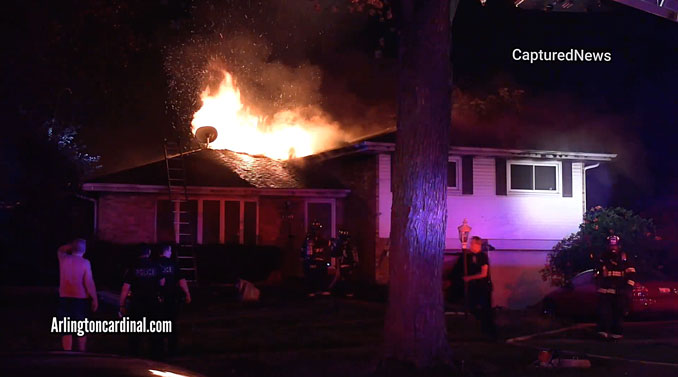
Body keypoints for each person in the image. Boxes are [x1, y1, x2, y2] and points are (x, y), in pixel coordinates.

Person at [119, 245, 164, 358]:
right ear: (148, 253)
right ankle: (155, 354)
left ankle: (134, 354)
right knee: (154, 329)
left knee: (135, 331)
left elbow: (125, 288)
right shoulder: (156, 266)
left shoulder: (133, 267)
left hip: (137, 302)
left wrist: (122, 304)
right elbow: (162, 282)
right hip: (152, 301)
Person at [56, 238, 98, 351]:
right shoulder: (85, 263)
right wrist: (94, 298)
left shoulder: (64, 259)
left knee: (66, 329)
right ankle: (81, 353)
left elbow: (60, 249)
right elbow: (88, 282)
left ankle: (67, 353)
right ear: (84, 250)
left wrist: (71, 245)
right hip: (80, 299)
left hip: (64, 298)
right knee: (81, 328)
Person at [595, 234, 635, 340]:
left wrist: (628, 288)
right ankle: (602, 332)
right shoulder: (603, 257)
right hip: (605, 291)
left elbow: (632, 274)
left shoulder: (625, 259)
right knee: (603, 312)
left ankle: (616, 333)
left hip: (620, 291)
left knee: (618, 313)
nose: (613, 248)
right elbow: (597, 273)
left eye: (615, 246)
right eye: (611, 246)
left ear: (619, 246)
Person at [157, 244, 191, 357]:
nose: (171, 253)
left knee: (159, 325)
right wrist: (187, 293)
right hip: (171, 298)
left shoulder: (155, 263)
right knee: (172, 324)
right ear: (166, 251)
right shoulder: (173, 264)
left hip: (158, 299)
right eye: (170, 251)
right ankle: (172, 350)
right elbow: (181, 280)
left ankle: (159, 349)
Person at [462, 236, 497, 340]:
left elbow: (484, 273)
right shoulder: (471, 256)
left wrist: (469, 278)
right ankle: (482, 328)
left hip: (483, 287)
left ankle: (490, 332)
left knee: (485, 309)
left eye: (472, 244)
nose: (470, 246)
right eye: (470, 243)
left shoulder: (483, 257)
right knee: (472, 307)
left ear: (478, 245)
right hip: (475, 287)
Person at [301, 220, 331, 297]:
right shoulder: (308, 239)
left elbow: (328, 246)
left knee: (322, 275)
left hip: (321, 261)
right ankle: (312, 290)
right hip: (311, 261)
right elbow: (304, 251)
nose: (316, 231)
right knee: (312, 276)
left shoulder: (323, 240)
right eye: (315, 229)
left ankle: (321, 289)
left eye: (318, 229)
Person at [328, 229, 359, 297]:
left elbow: (336, 256)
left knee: (344, 280)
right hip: (345, 267)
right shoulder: (345, 246)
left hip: (345, 267)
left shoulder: (346, 246)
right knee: (343, 280)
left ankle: (336, 290)